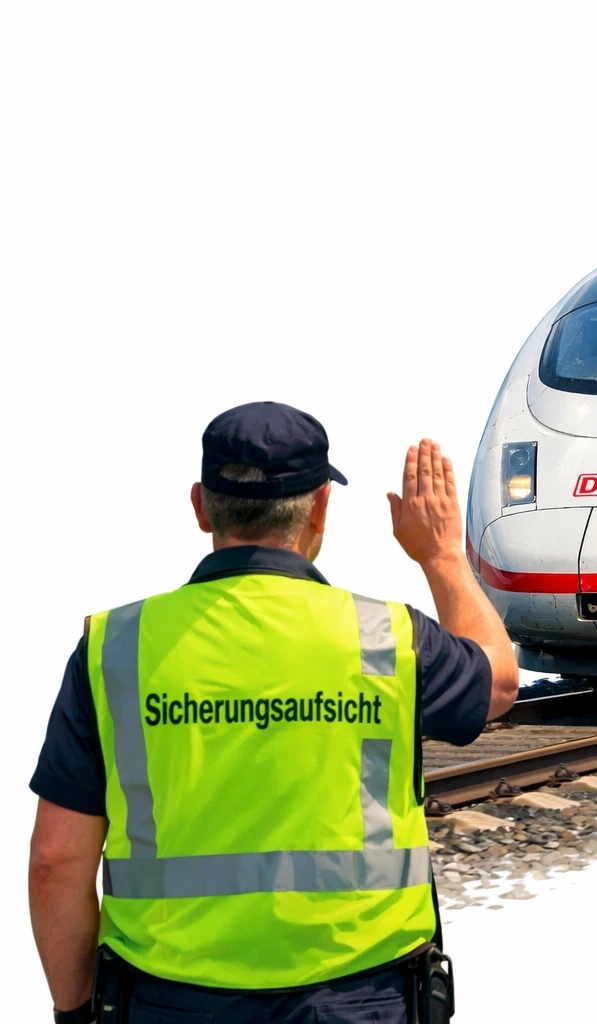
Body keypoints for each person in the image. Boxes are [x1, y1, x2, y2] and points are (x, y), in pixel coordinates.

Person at [28, 401, 519, 1023]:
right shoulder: (386, 639)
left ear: (201, 506)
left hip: (166, 1002)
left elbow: (56, 862)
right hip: (359, 1000)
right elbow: (499, 681)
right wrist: (441, 555)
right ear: (320, 507)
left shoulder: (113, 648)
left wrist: (75, 1012)